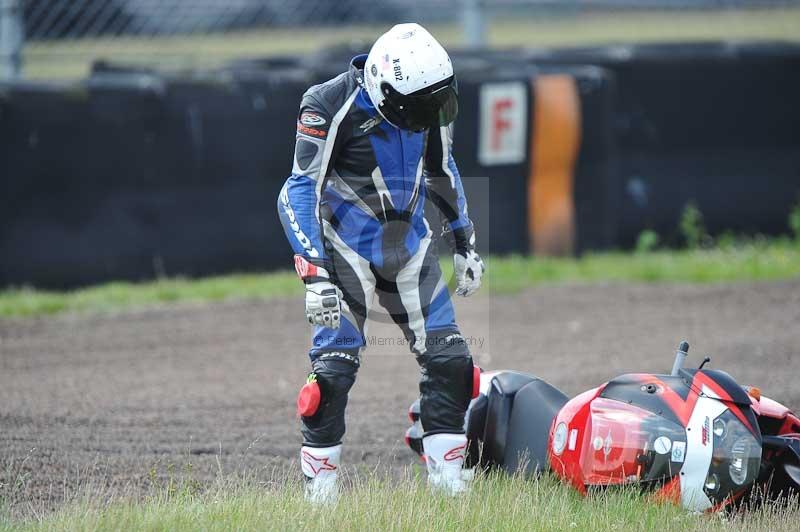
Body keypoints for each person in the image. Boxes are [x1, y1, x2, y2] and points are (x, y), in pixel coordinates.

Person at [277, 22, 485, 503]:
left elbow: (440, 169)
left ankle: (448, 491)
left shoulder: (429, 101)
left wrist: (464, 239)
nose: (428, 115)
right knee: (331, 372)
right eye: (418, 107)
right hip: (344, 251)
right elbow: (299, 187)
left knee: (454, 363)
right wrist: (315, 272)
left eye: (437, 102)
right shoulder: (327, 103)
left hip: (410, 247)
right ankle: (320, 497)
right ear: (385, 89)